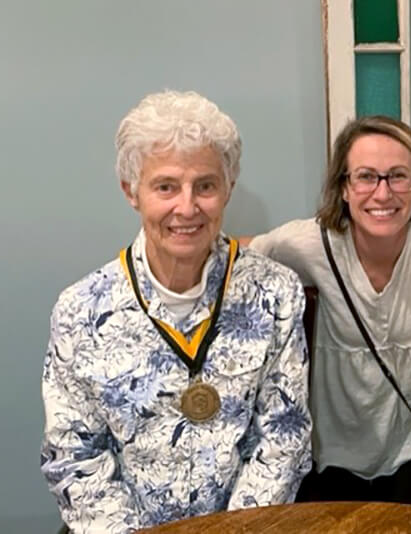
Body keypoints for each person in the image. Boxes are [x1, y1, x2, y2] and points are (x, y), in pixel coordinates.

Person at [41, 90, 311, 533]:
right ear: (132, 191)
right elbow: (74, 457)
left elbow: (284, 440)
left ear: (228, 190)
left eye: (205, 186)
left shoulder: (275, 293)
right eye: (166, 186)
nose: (187, 207)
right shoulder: (81, 311)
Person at [243, 116, 411, 504]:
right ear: (343, 187)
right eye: (366, 177)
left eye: (397, 176)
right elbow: (237, 256)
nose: (382, 193)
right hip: (332, 453)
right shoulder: (307, 244)